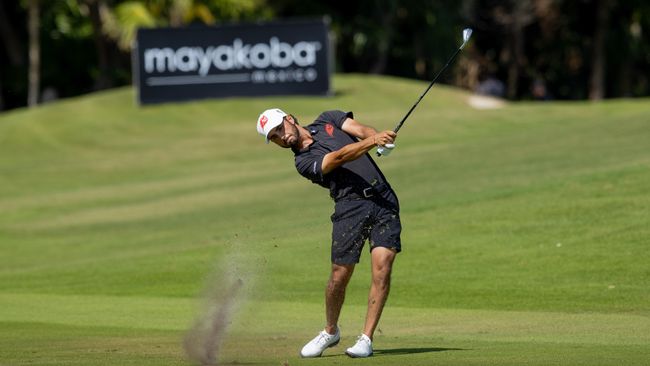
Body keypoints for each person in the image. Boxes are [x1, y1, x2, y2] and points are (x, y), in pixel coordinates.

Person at [256, 108, 402, 358]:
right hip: (350, 207)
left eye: (280, 129)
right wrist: (372, 141)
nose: (281, 137)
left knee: (382, 267)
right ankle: (331, 330)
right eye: (275, 138)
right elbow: (339, 157)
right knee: (339, 277)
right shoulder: (302, 162)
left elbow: (361, 130)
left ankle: (366, 339)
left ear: (289, 119)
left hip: (383, 198)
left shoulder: (328, 119)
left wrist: (379, 138)